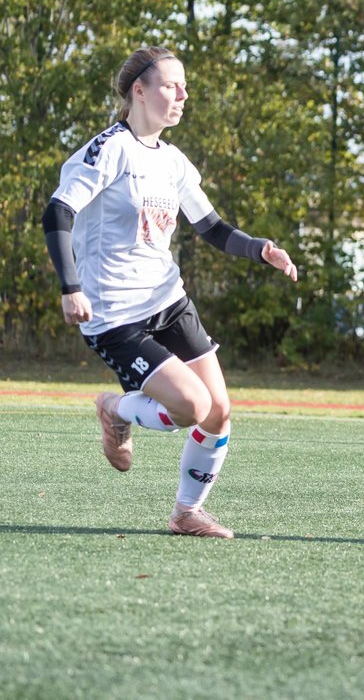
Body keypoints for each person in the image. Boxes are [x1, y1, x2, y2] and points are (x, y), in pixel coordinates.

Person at [42, 46, 298, 539]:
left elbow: (213, 228)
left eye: (183, 87)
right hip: (114, 315)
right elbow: (58, 212)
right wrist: (70, 286)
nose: (181, 95)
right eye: (169, 85)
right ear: (139, 90)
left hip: (168, 302)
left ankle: (186, 513)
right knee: (190, 408)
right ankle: (114, 408)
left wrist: (260, 248)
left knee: (219, 411)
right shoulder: (109, 149)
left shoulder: (174, 161)